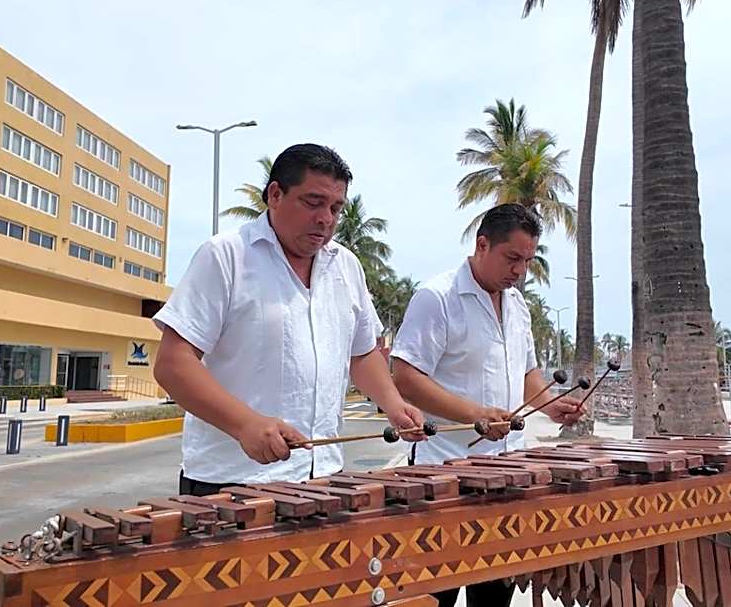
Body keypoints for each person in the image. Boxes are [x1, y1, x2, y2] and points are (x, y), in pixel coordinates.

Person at [153, 143, 425, 496]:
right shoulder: (226, 256)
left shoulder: (346, 266)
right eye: (313, 203)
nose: (326, 218)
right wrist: (245, 425)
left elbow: (362, 353)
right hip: (232, 481)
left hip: (325, 475)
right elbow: (173, 364)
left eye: (335, 208)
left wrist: (392, 403)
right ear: (276, 195)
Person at [391, 203, 584, 607]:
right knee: (435, 594)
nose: (520, 271)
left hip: (507, 473)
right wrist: (475, 416)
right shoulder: (437, 296)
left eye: (528, 261)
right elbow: (405, 377)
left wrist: (549, 404)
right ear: (482, 245)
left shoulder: (518, 305)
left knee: (494, 596)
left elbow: (527, 370)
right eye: (512, 258)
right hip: (443, 476)